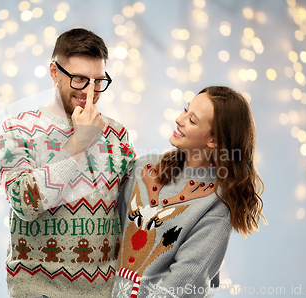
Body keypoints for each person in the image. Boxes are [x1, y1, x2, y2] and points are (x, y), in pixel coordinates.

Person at [0, 28, 136, 298]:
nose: (90, 91)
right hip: (39, 292)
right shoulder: (18, 129)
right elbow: (25, 202)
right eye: (80, 79)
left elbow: (132, 214)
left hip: (106, 293)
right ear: (54, 72)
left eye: (98, 81)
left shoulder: (117, 134)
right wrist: (79, 143)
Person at [111, 86, 266, 298]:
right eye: (185, 110)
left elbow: (182, 284)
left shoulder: (216, 204)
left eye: (192, 120)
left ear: (214, 140)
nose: (179, 119)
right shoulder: (142, 167)